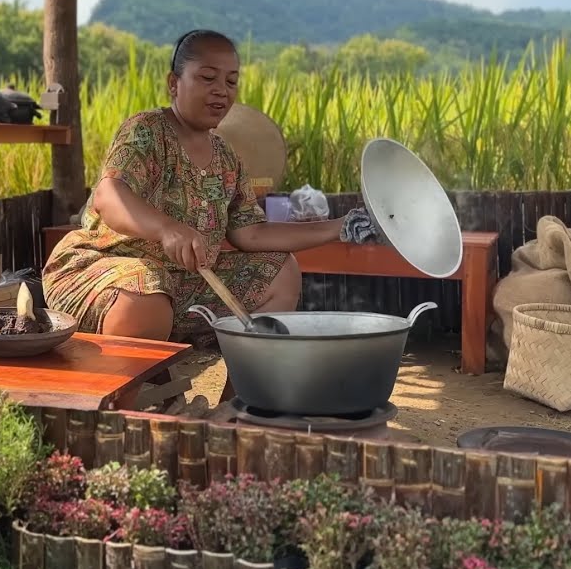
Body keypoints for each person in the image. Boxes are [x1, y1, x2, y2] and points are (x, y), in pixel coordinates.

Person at [42, 29, 353, 344]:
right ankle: (133, 391)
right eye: (208, 78)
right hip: (103, 273)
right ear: (173, 84)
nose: (222, 91)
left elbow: (252, 233)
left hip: (181, 285)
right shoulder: (147, 130)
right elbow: (109, 194)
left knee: (280, 270)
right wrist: (167, 229)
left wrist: (339, 227)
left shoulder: (227, 158)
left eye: (231, 82)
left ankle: (241, 392)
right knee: (147, 291)